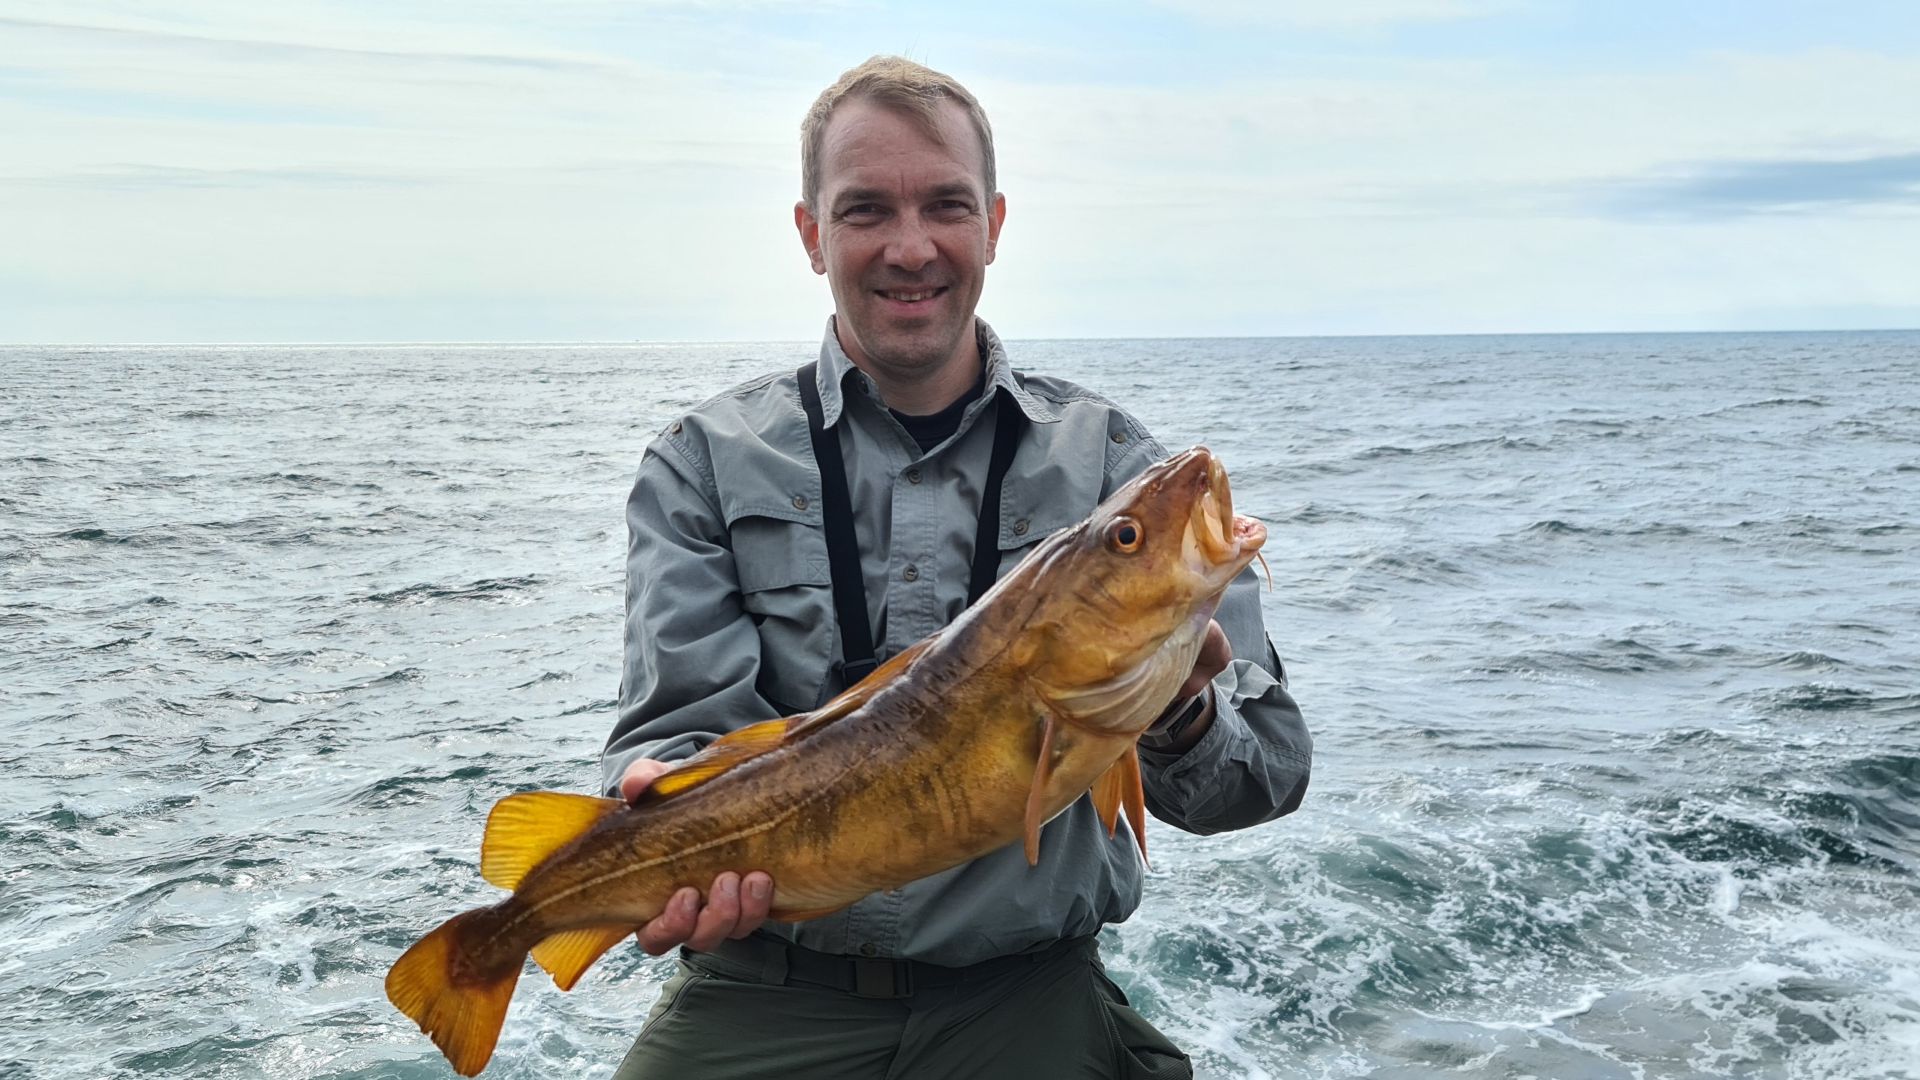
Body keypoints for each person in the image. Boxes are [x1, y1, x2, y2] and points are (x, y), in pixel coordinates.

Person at [600, 55, 1311, 1080]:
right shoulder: (702, 462)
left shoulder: (1121, 470)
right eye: (864, 210)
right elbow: (678, 731)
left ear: (995, 224)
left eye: (946, 204)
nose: (910, 246)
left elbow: (1268, 777)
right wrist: (659, 802)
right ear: (810, 234)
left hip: (1022, 989)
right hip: (765, 989)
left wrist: (1175, 712)